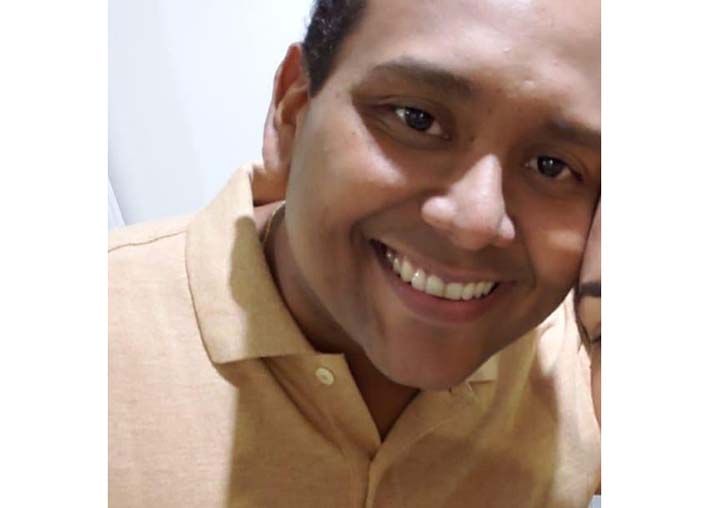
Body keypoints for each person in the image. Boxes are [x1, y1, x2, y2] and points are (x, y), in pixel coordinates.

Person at [109, 0, 601, 506]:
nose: (474, 221)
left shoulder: (584, 362)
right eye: (416, 120)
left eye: (552, 166)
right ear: (292, 111)